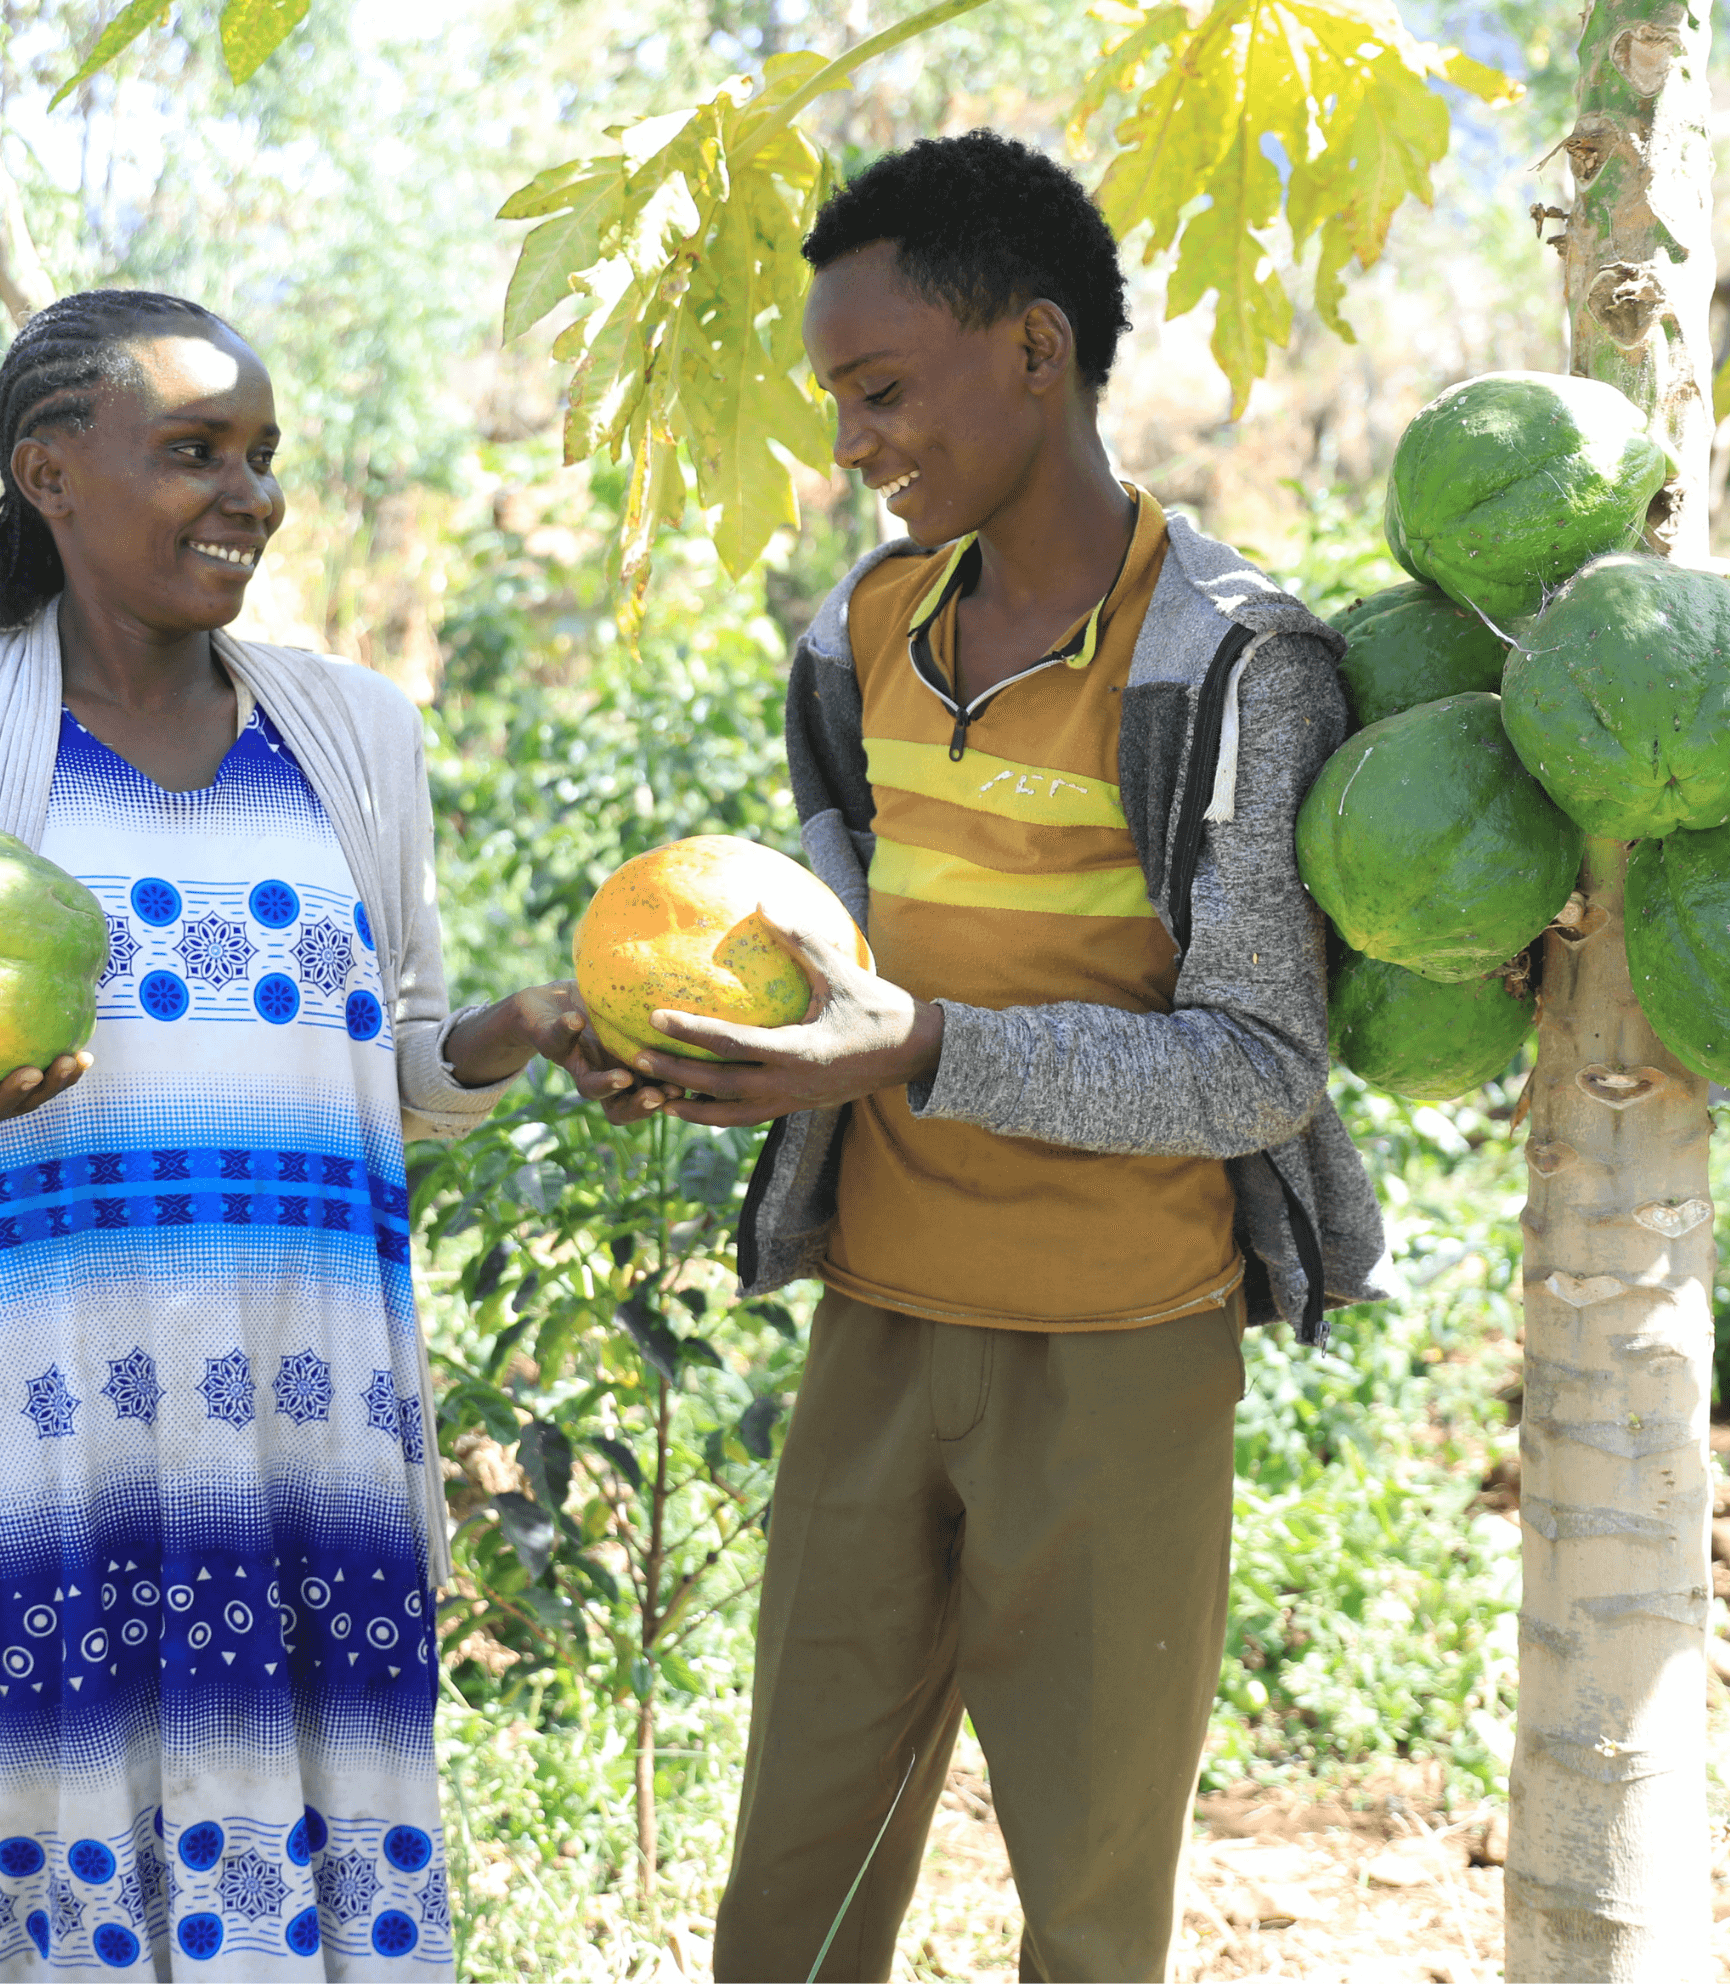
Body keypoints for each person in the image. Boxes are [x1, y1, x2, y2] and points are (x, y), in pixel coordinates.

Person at [590, 135, 1393, 1982]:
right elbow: (840, 948)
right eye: (839, 401)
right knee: (794, 1877)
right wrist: (708, 1039)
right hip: (880, 1322)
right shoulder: (862, 632)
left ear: (1036, 351)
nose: (855, 442)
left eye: (882, 391)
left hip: (1119, 1361)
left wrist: (923, 1047)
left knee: (1090, 1909)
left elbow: (1258, 1066)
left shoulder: (1233, 664)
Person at [0, 289, 599, 1980]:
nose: (251, 495)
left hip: (313, 1424)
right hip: (46, 1439)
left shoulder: (354, 737)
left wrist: (510, 1037)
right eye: (195, 453)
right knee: (75, 1913)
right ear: (51, 472)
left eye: (262, 455)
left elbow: (398, 1067)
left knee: (325, 1905)